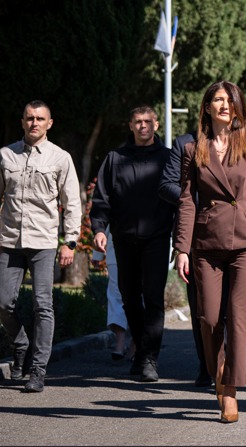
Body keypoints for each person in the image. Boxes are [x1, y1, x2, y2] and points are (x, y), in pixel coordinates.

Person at [174, 80, 246, 423]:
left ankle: (231, 390)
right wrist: (182, 249)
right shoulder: (193, 149)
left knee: (237, 315)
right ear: (207, 107)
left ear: (237, 107)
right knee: (208, 318)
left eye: (229, 100)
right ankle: (216, 367)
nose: (224, 105)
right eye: (217, 100)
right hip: (206, 243)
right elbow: (187, 202)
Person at [0, 100, 82, 392]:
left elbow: (72, 203)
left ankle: (38, 370)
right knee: (2, 303)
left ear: (50, 123)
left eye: (40, 118)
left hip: (44, 243)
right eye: (29, 118)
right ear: (22, 121)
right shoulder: (5, 155)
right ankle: (20, 343)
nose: (34, 123)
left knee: (42, 305)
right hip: (8, 241)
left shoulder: (60, 158)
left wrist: (69, 241)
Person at [90, 105, 174, 383]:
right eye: (137, 122)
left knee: (152, 298)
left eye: (148, 121)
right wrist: (100, 229)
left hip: (157, 238)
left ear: (156, 125)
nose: (143, 126)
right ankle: (140, 351)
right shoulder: (115, 158)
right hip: (123, 239)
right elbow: (102, 198)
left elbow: (180, 198)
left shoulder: (168, 158)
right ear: (130, 125)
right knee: (129, 298)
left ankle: (149, 358)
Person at [158, 131, 212, 388]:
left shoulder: (241, 140)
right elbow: (166, 184)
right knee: (201, 307)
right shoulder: (185, 144)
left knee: (228, 308)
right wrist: (196, 198)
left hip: (234, 235)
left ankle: (226, 362)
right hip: (195, 234)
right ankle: (207, 364)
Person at [92, 226, 135, 362]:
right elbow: (103, 216)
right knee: (116, 294)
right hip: (115, 246)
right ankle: (120, 342)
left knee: (141, 296)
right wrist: (97, 252)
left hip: (147, 247)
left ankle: (136, 343)